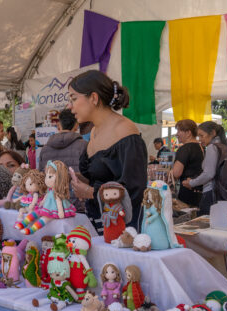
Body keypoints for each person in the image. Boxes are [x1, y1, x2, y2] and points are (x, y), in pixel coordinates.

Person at [67, 70, 147, 232]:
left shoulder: (124, 131)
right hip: (100, 221)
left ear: (94, 98)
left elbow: (134, 190)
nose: (70, 106)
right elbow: (100, 176)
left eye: (74, 99)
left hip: (123, 229)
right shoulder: (94, 131)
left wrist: (90, 192)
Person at [39, 108, 87, 212]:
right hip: (77, 203)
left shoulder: (45, 149)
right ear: (76, 125)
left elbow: (41, 177)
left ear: (59, 124)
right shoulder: (84, 145)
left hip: (51, 204)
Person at [183, 121, 227, 215]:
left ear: (212, 133)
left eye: (202, 135)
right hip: (223, 194)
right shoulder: (225, 147)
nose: (200, 139)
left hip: (211, 194)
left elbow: (209, 174)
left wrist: (192, 183)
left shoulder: (212, 147)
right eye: (198, 136)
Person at [172, 119, 204, 207]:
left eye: (179, 131)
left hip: (187, 193)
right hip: (199, 192)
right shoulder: (201, 147)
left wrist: (169, 172)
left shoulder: (185, 148)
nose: (177, 134)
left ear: (188, 133)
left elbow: (176, 173)